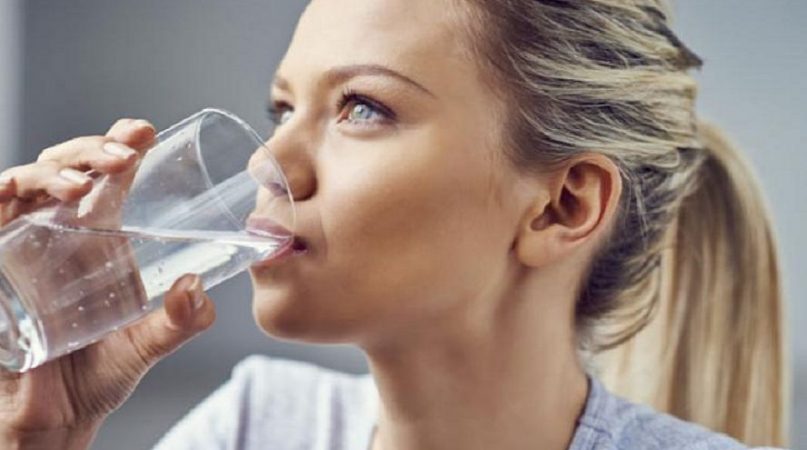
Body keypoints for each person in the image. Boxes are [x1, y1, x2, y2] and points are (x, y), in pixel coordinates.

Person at [0, 0, 789, 449]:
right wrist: (41, 437)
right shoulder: (258, 427)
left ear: (561, 206)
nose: (267, 166)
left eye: (362, 108)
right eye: (282, 109)